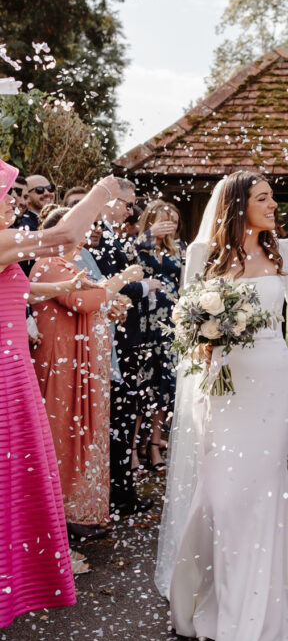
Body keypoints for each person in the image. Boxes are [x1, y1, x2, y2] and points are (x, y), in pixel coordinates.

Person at [156, 170, 288, 641]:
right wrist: (206, 337)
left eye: (272, 196)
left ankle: (253, 619)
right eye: (262, 198)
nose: (273, 204)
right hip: (223, 388)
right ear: (236, 205)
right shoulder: (200, 256)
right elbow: (186, 324)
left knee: (257, 494)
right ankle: (203, 601)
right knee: (223, 495)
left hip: (272, 385)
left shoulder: (284, 251)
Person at [0, 163, 123, 641]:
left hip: (13, 378)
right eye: (6, 194)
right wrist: (103, 190)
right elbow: (66, 234)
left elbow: (29, 291)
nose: (12, 202)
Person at [31, 208, 142, 540]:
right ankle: (60, 517)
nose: (86, 236)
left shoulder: (67, 266)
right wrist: (122, 279)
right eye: (81, 230)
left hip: (79, 367)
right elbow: (81, 300)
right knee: (62, 435)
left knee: (78, 433)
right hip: (60, 366)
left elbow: (93, 300)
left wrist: (111, 303)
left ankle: (73, 513)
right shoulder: (47, 264)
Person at [89, 178, 161, 518]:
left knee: (127, 415)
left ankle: (121, 490)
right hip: (113, 342)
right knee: (118, 418)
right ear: (107, 200)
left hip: (128, 339)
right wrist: (143, 287)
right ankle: (118, 495)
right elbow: (100, 287)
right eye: (126, 203)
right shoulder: (97, 235)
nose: (130, 211)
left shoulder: (115, 235)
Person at [135, 199, 186, 471]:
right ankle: (134, 447)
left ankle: (154, 445)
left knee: (165, 386)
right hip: (142, 325)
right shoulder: (137, 245)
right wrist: (147, 237)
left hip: (170, 325)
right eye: (164, 220)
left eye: (174, 222)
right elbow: (125, 257)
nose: (170, 226)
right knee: (143, 385)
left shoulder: (181, 249)